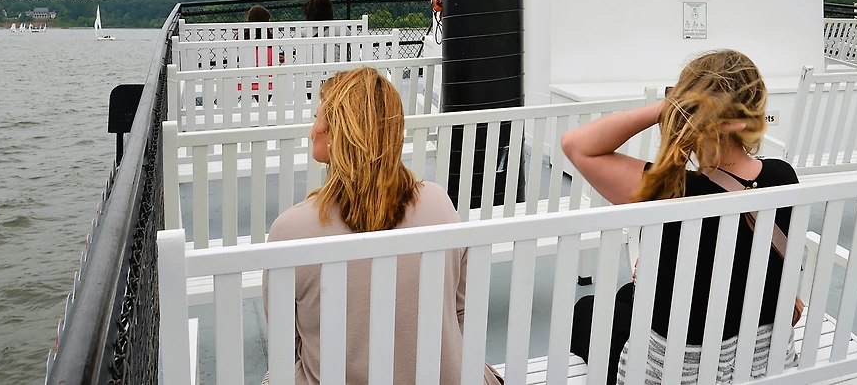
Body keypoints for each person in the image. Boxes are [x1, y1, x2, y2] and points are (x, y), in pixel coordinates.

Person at [560, 50, 799, 384]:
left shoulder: (668, 189)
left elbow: (575, 144)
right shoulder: (784, 176)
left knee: (588, 310)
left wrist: (669, 106)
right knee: (626, 297)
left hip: (679, 371)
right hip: (763, 362)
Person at [266, 68, 502, 385]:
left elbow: (285, 340)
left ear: (338, 133)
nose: (312, 131)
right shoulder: (438, 203)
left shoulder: (290, 229)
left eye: (317, 118)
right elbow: (460, 308)